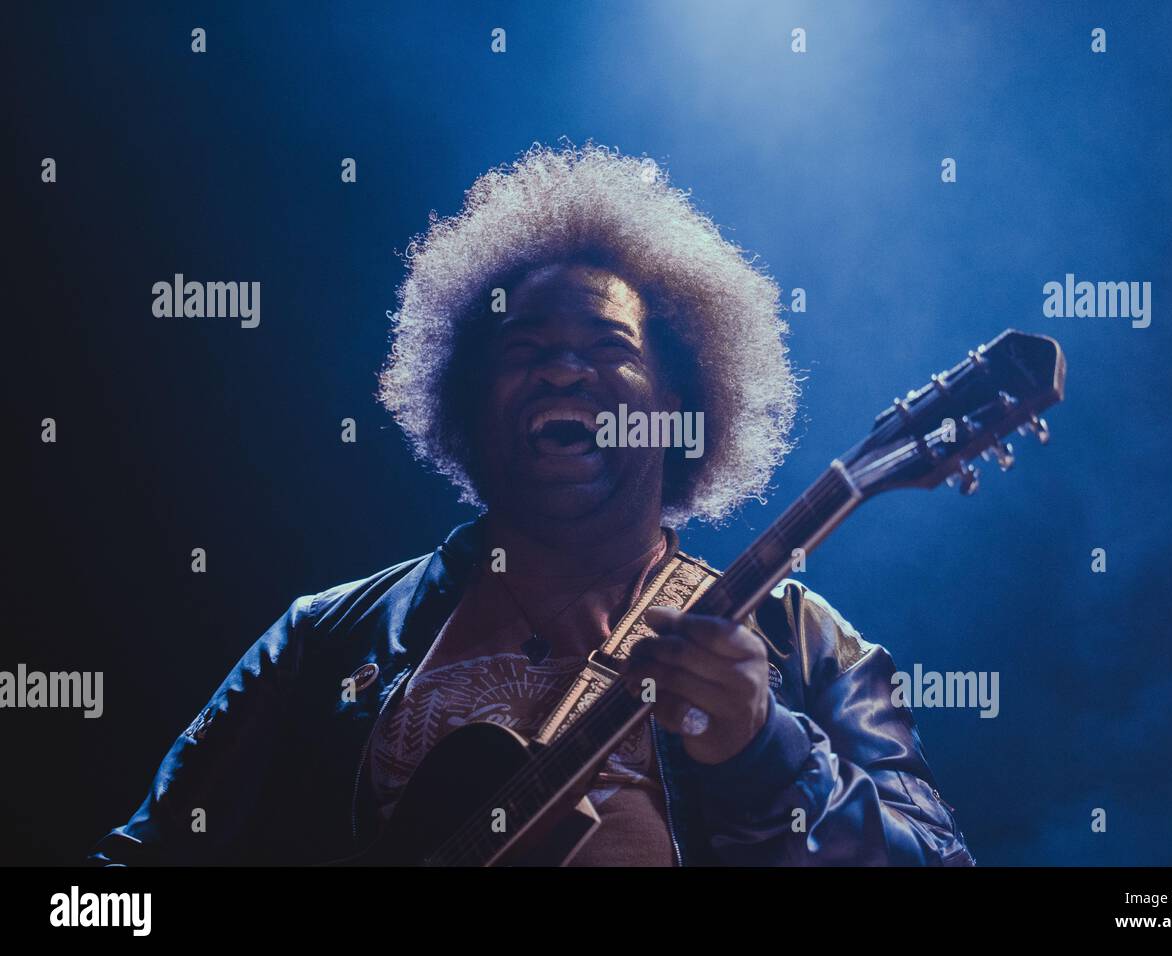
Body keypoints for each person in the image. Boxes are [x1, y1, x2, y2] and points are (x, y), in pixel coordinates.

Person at [90, 144, 973, 866]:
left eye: (608, 345)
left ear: (681, 406)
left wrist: (764, 754)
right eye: (527, 344)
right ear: (469, 404)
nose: (563, 368)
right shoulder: (329, 638)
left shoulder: (796, 642)